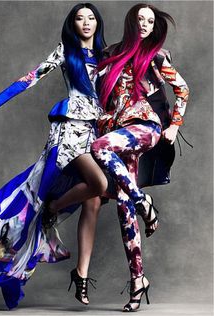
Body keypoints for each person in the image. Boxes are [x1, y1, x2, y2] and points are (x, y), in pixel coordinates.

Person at [0, 3, 107, 309]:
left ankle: (82, 276)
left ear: (97, 23)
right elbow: (31, 77)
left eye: (91, 18)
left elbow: (132, 67)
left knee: (94, 200)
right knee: (98, 184)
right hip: (68, 136)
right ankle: (54, 206)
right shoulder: (66, 51)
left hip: (95, 135)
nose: (86, 22)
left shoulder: (107, 56)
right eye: (80, 18)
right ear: (72, 24)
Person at [90, 3, 189, 312]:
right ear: (131, 22)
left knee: (100, 149)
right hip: (120, 131)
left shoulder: (157, 56)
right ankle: (138, 279)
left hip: (145, 126)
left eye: (150, 21)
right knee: (123, 204)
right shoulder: (113, 53)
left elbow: (182, 90)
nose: (146, 25)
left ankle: (143, 201)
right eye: (140, 19)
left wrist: (174, 125)